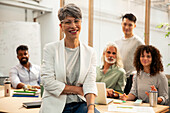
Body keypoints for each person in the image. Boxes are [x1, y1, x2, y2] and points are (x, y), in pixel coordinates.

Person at [40, 4, 99, 113]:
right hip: (56, 105)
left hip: (80, 104)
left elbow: (90, 83)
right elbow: (47, 81)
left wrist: (91, 109)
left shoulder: (90, 52)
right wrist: (77, 89)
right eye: (68, 22)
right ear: (61, 26)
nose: (73, 26)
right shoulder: (50, 49)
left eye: (76, 21)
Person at [115, 13, 145, 95]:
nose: (127, 27)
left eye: (130, 25)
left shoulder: (139, 43)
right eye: (124, 24)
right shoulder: (117, 42)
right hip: (118, 78)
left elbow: (145, 62)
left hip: (131, 80)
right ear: (121, 24)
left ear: (134, 26)